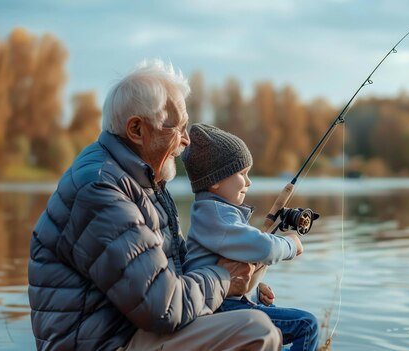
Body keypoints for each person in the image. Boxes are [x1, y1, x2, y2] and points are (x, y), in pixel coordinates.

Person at [28, 60, 283, 351]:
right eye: (179, 127)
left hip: (132, 333)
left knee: (255, 315)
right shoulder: (101, 190)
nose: (186, 140)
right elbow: (162, 308)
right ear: (137, 129)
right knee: (257, 331)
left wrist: (239, 291)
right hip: (108, 344)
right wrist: (224, 278)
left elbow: (175, 278)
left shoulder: (141, 180)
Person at [181, 123, 320, 351]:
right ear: (216, 180)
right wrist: (292, 244)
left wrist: (255, 290)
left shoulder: (214, 212)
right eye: (242, 174)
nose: (249, 182)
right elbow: (263, 247)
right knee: (307, 325)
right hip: (221, 309)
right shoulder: (215, 214)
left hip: (228, 303)